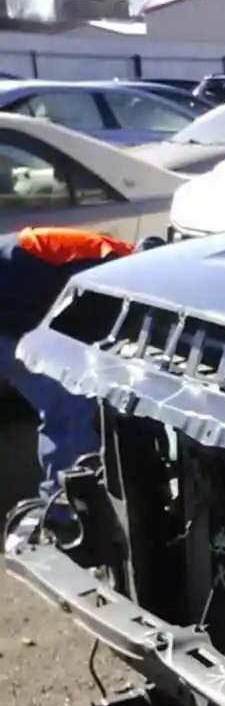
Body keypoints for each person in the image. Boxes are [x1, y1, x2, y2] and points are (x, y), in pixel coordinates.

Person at [2, 227, 136, 552]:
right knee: (71, 405)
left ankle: (63, 500)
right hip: (12, 323)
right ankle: (64, 512)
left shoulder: (106, 255)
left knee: (67, 406)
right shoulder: (120, 262)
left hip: (20, 317)